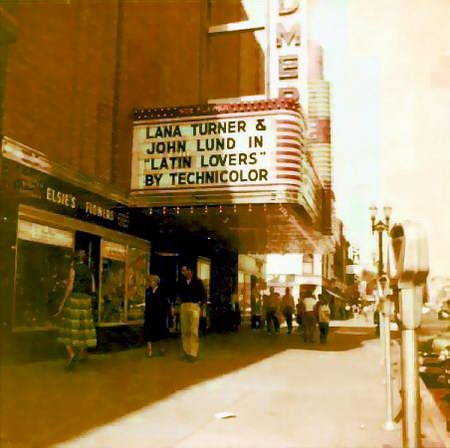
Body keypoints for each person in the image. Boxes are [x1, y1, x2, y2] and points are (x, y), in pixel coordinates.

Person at [55, 250, 97, 371]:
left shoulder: (73, 268)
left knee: (67, 329)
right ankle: (83, 354)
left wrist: (62, 303)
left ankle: (72, 354)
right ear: (84, 259)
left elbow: (71, 286)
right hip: (86, 301)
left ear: (74, 259)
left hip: (75, 299)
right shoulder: (89, 270)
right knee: (83, 329)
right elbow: (93, 288)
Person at [177, 265, 207, 362]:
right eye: (182, 271)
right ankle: (186, 351)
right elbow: (177, 294)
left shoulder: (198, 282)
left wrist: (201, 304)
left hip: (194, 306)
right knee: (185, 330)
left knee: (193, 330)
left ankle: (193, 353)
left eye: (184, 271)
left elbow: (204, 295)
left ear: (190, 271)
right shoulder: (181, 282)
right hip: (184, 305)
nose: (183, 273)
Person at [144, 275, 170, 358]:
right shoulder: (148, 291)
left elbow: (165, 303)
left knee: (160, 332)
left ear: (155, 282)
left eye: (151, 281)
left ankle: (162, 348)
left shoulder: (161, 291)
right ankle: (150, 351)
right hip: (150, 314)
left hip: (159, 315)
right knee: (148, 332)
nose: (149, 283)